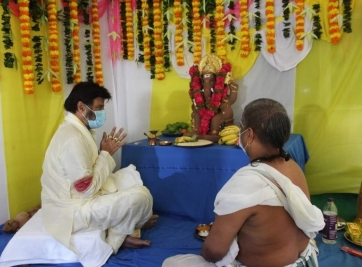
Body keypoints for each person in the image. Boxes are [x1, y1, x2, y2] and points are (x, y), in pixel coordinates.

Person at [163, 98, 324, 267]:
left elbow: (214, 252)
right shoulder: (294, 168)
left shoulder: (244, 184)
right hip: (305, 261)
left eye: (241, 127)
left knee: (171, 263)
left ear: (250, 134)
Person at [40, 82, 158, 259]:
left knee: (130, 177)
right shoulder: (72, 138)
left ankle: (125, 226)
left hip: (80, 198)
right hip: (72, 212)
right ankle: (116, 241)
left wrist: (103, 153)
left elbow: (89, 172)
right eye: (99, 108)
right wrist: (106, 154)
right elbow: (86, 189)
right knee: (141, 197)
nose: (102, 113)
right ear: (81, 107)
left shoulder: (77, 131)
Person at [189, 54, 239, 137]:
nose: (207, 84)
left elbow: (231, 100)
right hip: (205, 112)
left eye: (211, 81)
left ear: (217, 80)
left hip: (221, 113)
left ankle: (214, 133)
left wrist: (234, 90)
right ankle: (196, 130)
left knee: (215, 118)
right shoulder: (199, 93)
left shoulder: (221, 90)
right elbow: (195, 106)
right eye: (204, 81)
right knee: (196, 114)